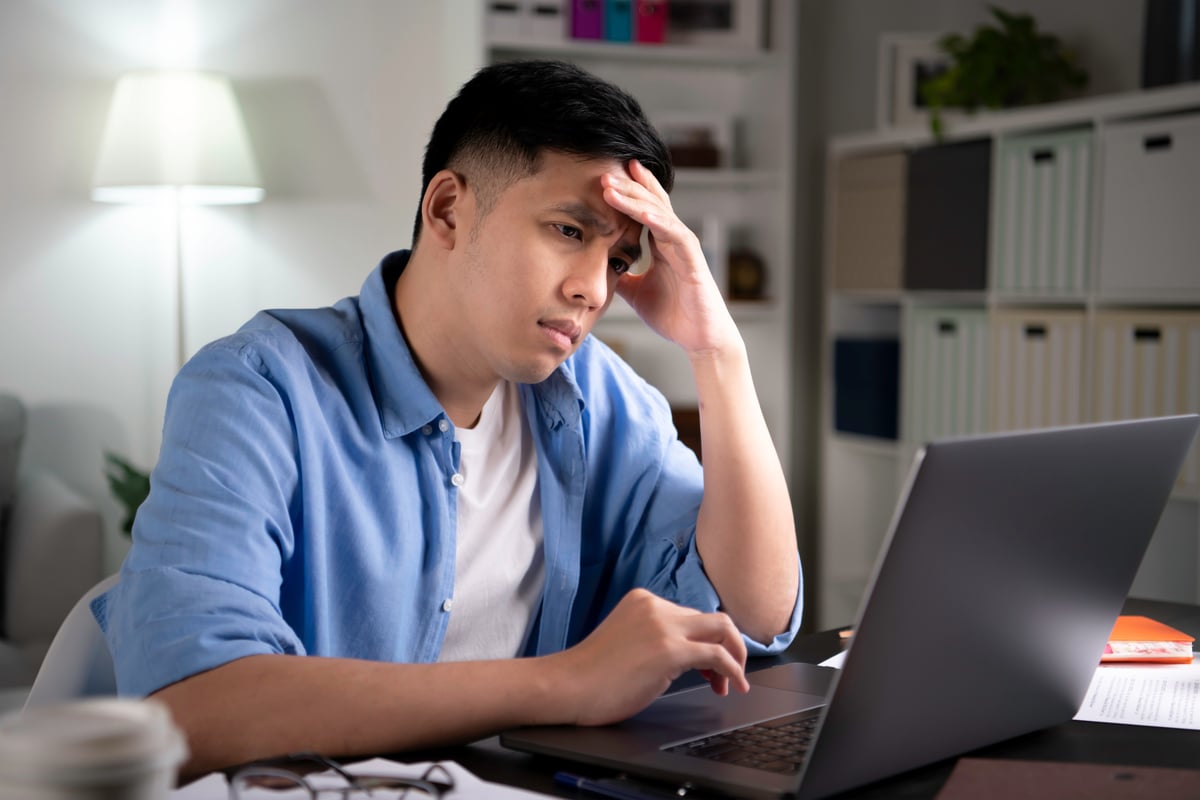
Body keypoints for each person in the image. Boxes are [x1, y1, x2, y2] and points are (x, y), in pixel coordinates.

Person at [94, 59, 802, 779]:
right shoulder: (258, 389)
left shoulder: (601, 395)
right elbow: (192, 705)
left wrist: (718, 353)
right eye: (568, 230)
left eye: (618, 260)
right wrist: (567, 682)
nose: (593, 289)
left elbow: (754, 613)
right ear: (447, 210)